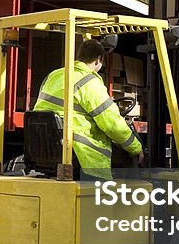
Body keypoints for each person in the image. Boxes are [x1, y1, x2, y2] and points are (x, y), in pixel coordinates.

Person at [33, 39, 143, 177]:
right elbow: (111, 124)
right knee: (128, 156)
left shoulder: (54, 75)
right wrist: (136, 147)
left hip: (48, 146)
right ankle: (130, 195)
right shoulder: (89, 82)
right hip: (80, 148)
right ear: (98, 60)